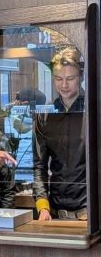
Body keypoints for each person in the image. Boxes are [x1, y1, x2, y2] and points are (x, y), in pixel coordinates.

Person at [33, 47, 87, 221]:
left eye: (70, 78)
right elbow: (39, 166)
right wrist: (43, 207)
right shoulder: (45, 114)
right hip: (54, 213)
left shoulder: (93, 110)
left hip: (88, 213)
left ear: (81, 77)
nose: (64, 85)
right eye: (58, 79)